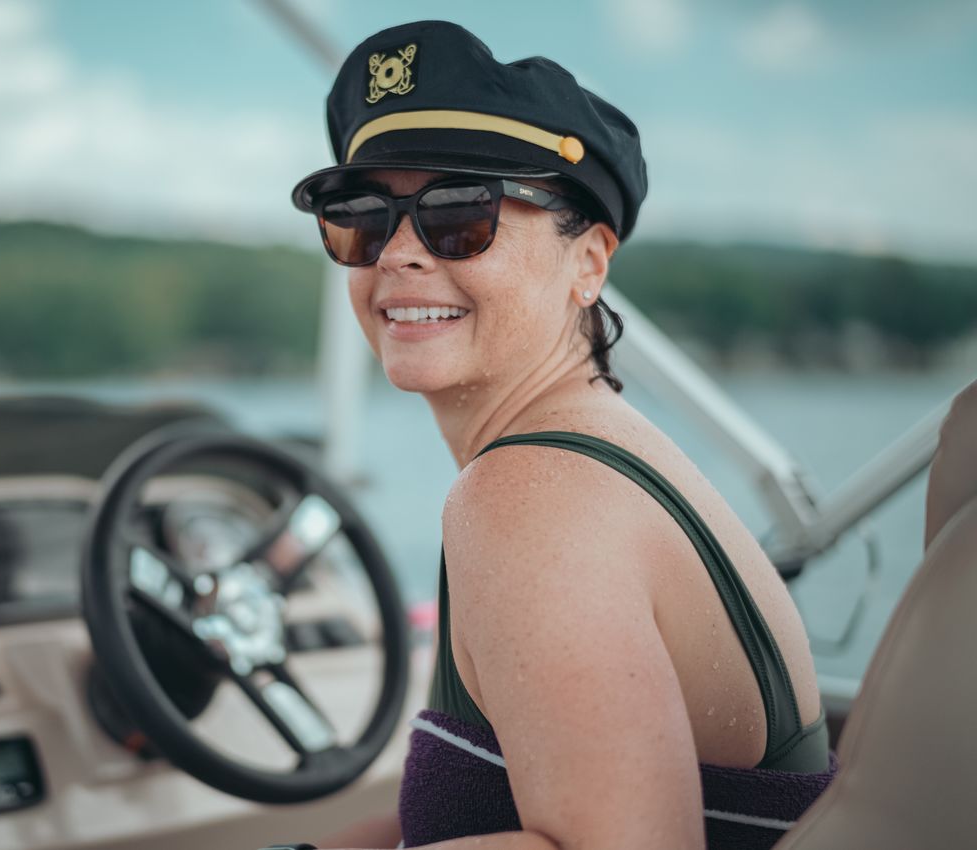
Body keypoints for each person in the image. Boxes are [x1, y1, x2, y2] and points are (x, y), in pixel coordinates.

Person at [286, 21, 834, 850]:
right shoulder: (598, 452)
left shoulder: (528, 497)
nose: (397, 254)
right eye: (360, 215)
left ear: (589, 262)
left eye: (459, 212)